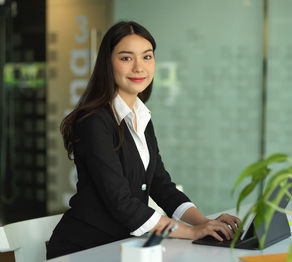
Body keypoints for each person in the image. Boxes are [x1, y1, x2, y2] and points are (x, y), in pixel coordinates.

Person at [46, 21, 241, 259]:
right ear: (107, 64)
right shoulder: (94, 122)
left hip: (126, 246)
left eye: (147, 57)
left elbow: (162, 186)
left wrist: (205, 224)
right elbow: (121, 202)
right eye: (127, 58)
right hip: (84, 249)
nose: (139, 67)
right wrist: (191, 232)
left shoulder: (140, 115)